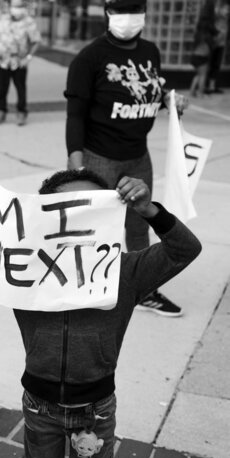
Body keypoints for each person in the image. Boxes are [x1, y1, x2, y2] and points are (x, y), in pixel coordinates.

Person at [0, 162, 202, 458]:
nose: (76, 223)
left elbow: (185, 249)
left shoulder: (125, 271)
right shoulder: (24, 264)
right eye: (65, 212)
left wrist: (148, 210)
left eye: (88, 209)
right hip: (39, 405)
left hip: (95, 408)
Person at [64, 0, 190, 317]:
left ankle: (144, 289)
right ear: (108, 14)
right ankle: (87, 289)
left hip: (138, 155)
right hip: (99, 157)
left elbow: (150, 91)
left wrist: (171, 100)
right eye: (119, 10)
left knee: (138, 223)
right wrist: (76, 162)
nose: (127, 17)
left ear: (144, 15)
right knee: (93, 227)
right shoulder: (90, 57)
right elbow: (75, 114)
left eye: (133, 9)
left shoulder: (150, 51)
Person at [0, 0, 41, 126]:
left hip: (19, 61)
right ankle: (1, 111)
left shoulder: (29, 22)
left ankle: (21, 112)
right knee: (2, 88)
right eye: (15, 6)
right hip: (3, 61)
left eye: (20, 6)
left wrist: (28, 58)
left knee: (20, 88)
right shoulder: (0, 20)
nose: (17, 9)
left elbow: (36, 41)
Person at [201, 0, 229, 94]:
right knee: (210, 63)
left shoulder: (224, 9)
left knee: (216, 64)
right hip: (213, 40)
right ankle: (205, 86)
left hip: (221, 42)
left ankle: (212, 86)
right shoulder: (215, 8)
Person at [189, 8, 215, 98]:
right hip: (202, 57)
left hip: (195, 57)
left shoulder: (198, 34)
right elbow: (212, 45)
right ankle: (200, 93)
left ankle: (192, 91)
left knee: (198, 75)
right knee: (203, 76)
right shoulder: (207, 36)